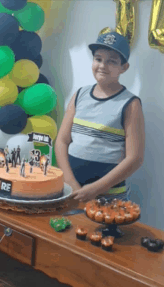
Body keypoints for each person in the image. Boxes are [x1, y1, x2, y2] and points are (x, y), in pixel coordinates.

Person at [55, 32, 145, 203]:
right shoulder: (79, 95)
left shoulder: (130, 104)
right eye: (98, 59)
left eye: (112, 61)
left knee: (102, 230)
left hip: (109, 198)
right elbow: (62, 141)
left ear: (124, 67)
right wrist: (72, 184)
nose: (103, 65)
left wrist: (95, 189)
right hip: (72, 192)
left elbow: (135, 158)